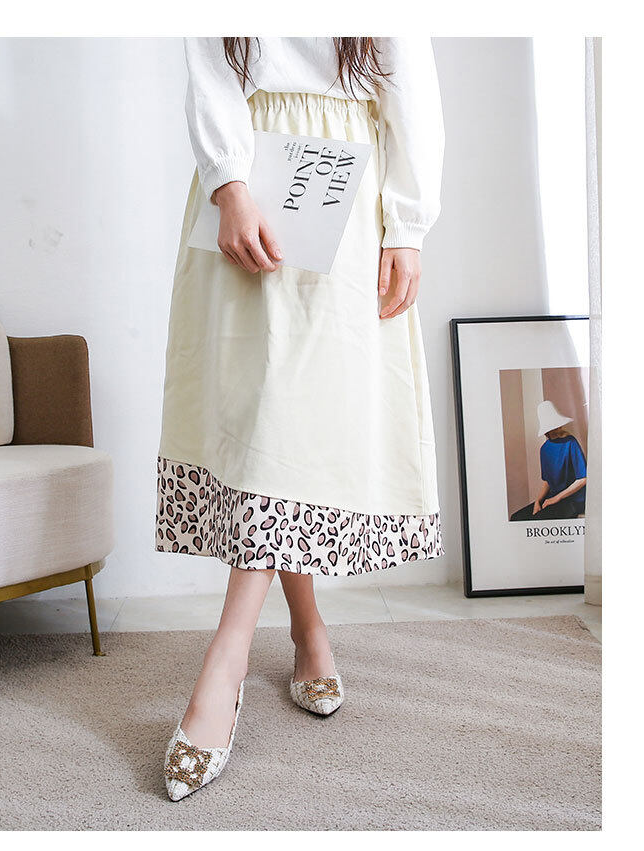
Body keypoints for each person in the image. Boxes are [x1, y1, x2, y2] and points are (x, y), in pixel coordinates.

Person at [157, 37, 445, 800]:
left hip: (344, 178)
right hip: (246, 178)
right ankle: (308, 626)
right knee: (262, 412)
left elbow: (410, 86)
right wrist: (229, 185)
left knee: (295, 413)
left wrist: (407, 226)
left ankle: (225, 663)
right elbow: (209, 64)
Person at [510, 400, 587, 521]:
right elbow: (547, 481)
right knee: (516, 518)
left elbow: (583, 479)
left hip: (573, 500)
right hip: (553, 498)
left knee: (538, 519)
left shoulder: (570, 442)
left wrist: (556, 498)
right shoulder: (544, 449)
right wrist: (538, 501)